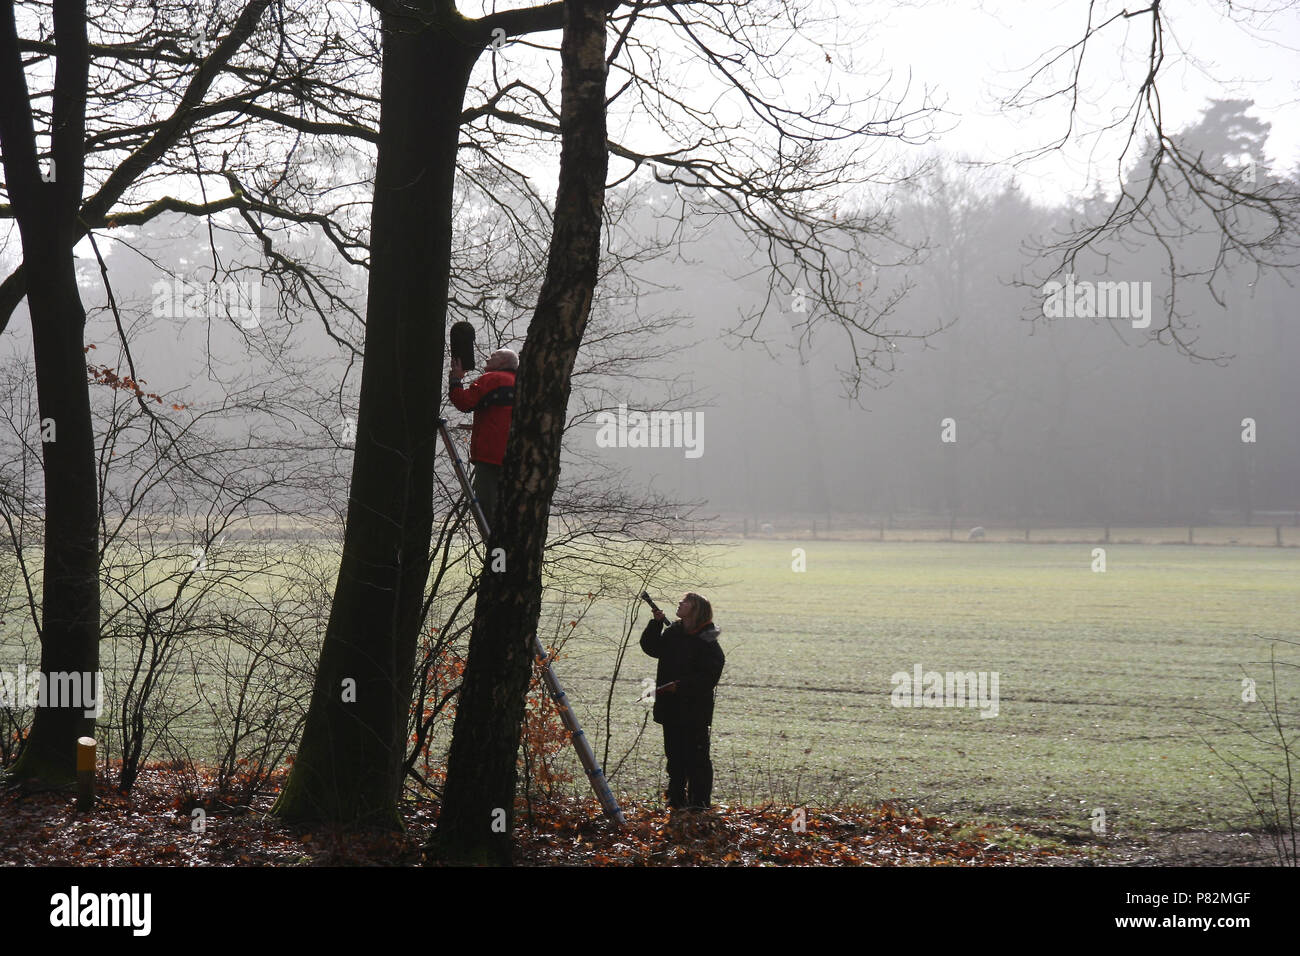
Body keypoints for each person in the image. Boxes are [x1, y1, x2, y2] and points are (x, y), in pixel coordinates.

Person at [640, 592, 725, 810]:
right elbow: (652, 648)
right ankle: (676, 801)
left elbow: (709, 675)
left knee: (697, 760)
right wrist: (655, 624)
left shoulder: (707, 638)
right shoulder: (674, 632)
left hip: (694, 711)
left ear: (696, 609)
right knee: (675, 758)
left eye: (685, 602)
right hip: (671, 708)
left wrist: (681, 686)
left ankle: (699, 805)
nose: (679, 603)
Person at [448, 347, 518, 527]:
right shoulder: (520, 384)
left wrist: (456, 379)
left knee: (487, 506)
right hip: (515, 457)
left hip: (490, 455)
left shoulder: (492, 379)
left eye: (493, 356)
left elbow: (464, 402)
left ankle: (495, 548)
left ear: (503, 363)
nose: (487, 358)